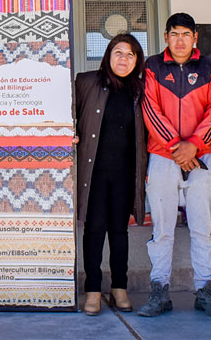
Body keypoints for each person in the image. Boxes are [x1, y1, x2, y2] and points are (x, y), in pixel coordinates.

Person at [138, 12, 211, 317]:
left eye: (186, 34)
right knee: (162, 229)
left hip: (201, 157)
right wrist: (180, 150)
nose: (180, 40)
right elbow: (150, 110)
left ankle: (206, 291)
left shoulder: (210, 67)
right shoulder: (152, 66)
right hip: (163, 157)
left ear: (195, 38)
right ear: (166, 37)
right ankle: (159, 292)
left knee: (202, 229)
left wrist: (195, 147)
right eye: (174, 34)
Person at [75, 33, 147, 315]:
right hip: (93, 172)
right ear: (108, 55)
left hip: (125, 172)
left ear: (137, 61)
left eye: (130, 55)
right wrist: (71, 132)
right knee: (94, 230)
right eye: (119, 52)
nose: (124, 59)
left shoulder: (140, 89)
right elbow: (67, 113)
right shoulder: (87, 81)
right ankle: (93, 289)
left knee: (119, 232)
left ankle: (119, 287)